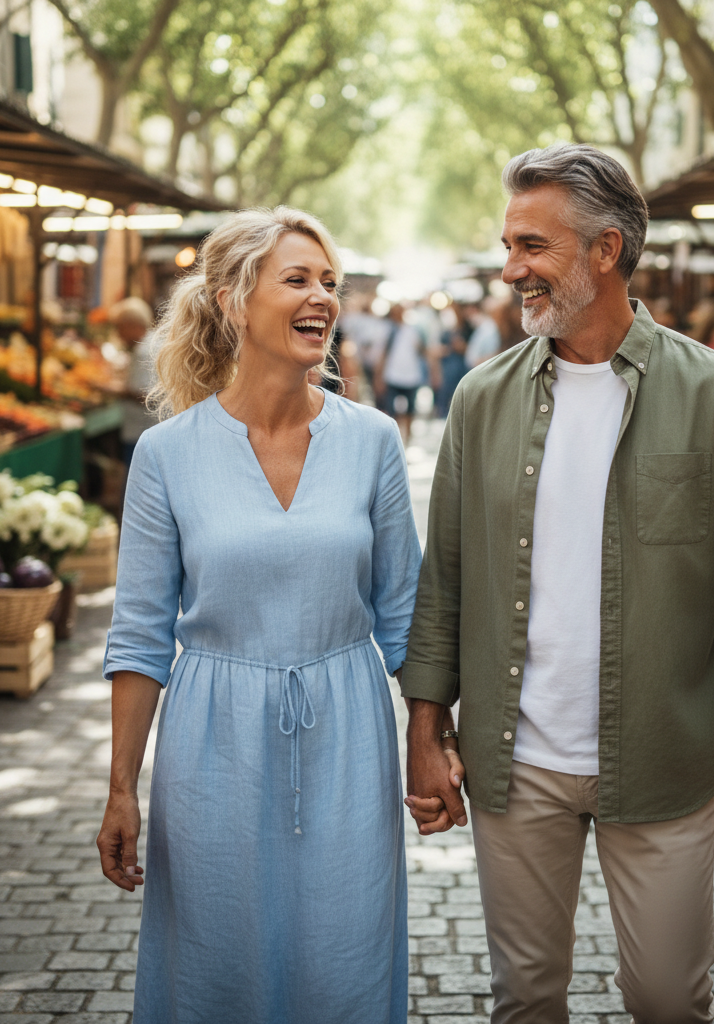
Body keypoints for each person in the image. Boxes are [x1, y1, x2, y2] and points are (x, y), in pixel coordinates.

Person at [400, 143, 714, 1023]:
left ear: (607, 251)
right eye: (509, 245)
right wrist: (426, 728)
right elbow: (445, 584)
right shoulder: (480, 399)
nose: (511, 269)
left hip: (664, 758)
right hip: (514, 762)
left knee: (669, 999)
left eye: (532, 247)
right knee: (525, 999)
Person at [96, 207, 421, 1023]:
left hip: (348, 733)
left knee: (345, 960)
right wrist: (120, 789)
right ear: (234, 300)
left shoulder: (373, 440)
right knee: (216, 965)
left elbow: (406, 617)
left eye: (329, 283)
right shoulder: (166, 454)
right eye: (298, 279)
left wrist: (433, 738)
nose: (323, 298)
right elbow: (138, 634)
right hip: (212, 742)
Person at [110, 296, 156, 469]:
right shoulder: (150, 345)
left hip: (142, 431)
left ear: (133, 325)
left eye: (119, 327)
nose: (118, 334)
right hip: (145, 430)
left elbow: (146, 396)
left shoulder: (144, 352)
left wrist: (117, 390)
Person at [374, 303, 426, 444]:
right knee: (391, 410)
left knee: (410, 409)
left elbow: (421, 351)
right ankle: (395, 440)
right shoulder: (387, 331)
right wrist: (379, 377)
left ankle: (407, 440)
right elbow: (382, 354)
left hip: (411, 375)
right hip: (392, 375)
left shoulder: (412, 330)